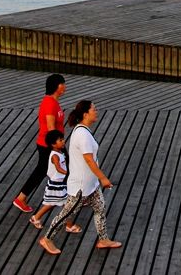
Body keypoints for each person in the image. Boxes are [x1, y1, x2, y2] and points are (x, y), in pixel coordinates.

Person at [39, 100, 121, 254]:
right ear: (85, 114)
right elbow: (89, 160)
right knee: (65, 215)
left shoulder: (83, 130)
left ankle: (103, 239)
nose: (96, 111)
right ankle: (47, 239)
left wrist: (97, 181)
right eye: (94, 109)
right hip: (81, 188)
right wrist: (103, 178)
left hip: (91, 185)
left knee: (100, 208)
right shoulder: (82, 134)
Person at [12, 74, 66, 213]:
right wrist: (58, 146)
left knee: (42, 171)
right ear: (56, 86)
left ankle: (21, 198)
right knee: (54, 169)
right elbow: (50, 127)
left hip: (51, 144)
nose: (64, 86)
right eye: (62, 84)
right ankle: (21, 198)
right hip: (48, 145)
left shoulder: (53, 101)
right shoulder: (49, 103)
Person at [29, 131, 81, 233]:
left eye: (63, 139)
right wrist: (68, 173)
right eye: (60, 140)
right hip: (56, 184)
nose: (63, 141)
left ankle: (36, 217)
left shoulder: (60, 152)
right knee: (66, 205)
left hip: (59, 183)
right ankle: (69, 225)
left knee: (52, 203)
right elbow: (58, 168)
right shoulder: (55, 156)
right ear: (53, 144)